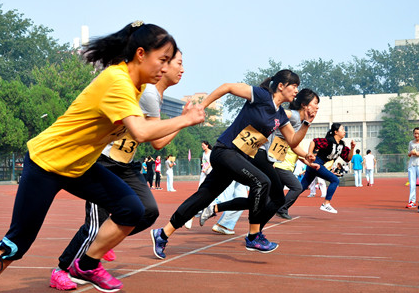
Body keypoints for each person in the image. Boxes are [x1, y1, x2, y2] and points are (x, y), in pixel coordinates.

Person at [0, 22, 205, 293]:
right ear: (140, 54)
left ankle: (85, 263)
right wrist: (185, 120)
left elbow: (150, 133)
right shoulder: (118, 82)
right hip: (47, 163)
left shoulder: (136, 86)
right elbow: (139, 131)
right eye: (162, 60)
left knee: (132, 209)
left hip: (80, 166)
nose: (165, 68)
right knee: (19, 240)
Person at [49, 49, 189, 291]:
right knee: (95, 225)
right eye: (178, 63)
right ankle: (61, 270)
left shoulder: (154, 96)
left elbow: (155, 139)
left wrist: (182, 121)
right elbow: (155, 141)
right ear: (162, 65)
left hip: (125, 162)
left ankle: (104, 241)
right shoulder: (147, 94)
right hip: (103, 161)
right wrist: (184, 120)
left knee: (147, 211)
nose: (182, 69)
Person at [151, 69, 317, 260]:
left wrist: (306, 123)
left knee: (203, 198)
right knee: (262, 182)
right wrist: (202, 106)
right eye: (294, 86)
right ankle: (253, 237)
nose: (296, 91)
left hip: (238, 158)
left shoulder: (280, 114)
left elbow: (293, 141)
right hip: (225, 151)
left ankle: (162, 234)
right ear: (281, 86)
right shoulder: (261, 96)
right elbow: (227, 87)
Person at [274, 88, 320, 220]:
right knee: (296, 187)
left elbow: (293, 145)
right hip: (276, 163)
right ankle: (281, 209)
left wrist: (307, 158)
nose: (317, 107)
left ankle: (258, 225)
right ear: (304, 105)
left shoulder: (301, 122)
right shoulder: (293, 115)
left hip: (279, 162)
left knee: (271, 196)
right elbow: (281, 112)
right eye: (315, 103)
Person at [300, 123, 356, 214]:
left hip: (316, 166)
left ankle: (282, 204)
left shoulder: (341, 145)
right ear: (336, 132)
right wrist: (309, 154)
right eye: (342, 129)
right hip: (316, 164)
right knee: (335, 180)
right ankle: (326, 204)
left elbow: (348, 158)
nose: (344, 131)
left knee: (300, 188)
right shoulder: (328, 141)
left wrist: (353, 148)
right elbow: (314, 141)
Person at [184, 140, 213, 229]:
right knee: (201, 193)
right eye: (202, 145)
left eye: (203, 145)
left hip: (210, 173)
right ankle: (192, 216)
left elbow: (211, 162)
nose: (202, 147)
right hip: (204, 173)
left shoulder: (211, 153)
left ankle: (202, 215)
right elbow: (205, 162)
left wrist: (207, 168)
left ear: (207, 145)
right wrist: (203, 166)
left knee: (210, 199)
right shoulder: (204, 153)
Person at [406, 127, 419, 208]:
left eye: (418, 133)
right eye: (415, 133)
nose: (416, 135)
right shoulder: (411, 143)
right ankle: (412, 201)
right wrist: (411, 152)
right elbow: (408, 153)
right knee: (412, 184)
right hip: (412, 165)